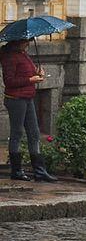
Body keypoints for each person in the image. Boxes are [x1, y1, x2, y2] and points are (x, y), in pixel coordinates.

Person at [2, 37, 53, 182]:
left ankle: (40, 171)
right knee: (17, 133)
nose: (28, 43)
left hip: (28, 98)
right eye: (26, 41)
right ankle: (16, 171)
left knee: (34, 133)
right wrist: (31, 80)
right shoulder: (9, 57)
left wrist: (37, 73)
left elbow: (26, 73)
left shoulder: (23, 54)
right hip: (15, 99)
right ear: (17, 42)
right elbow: (9, 81)